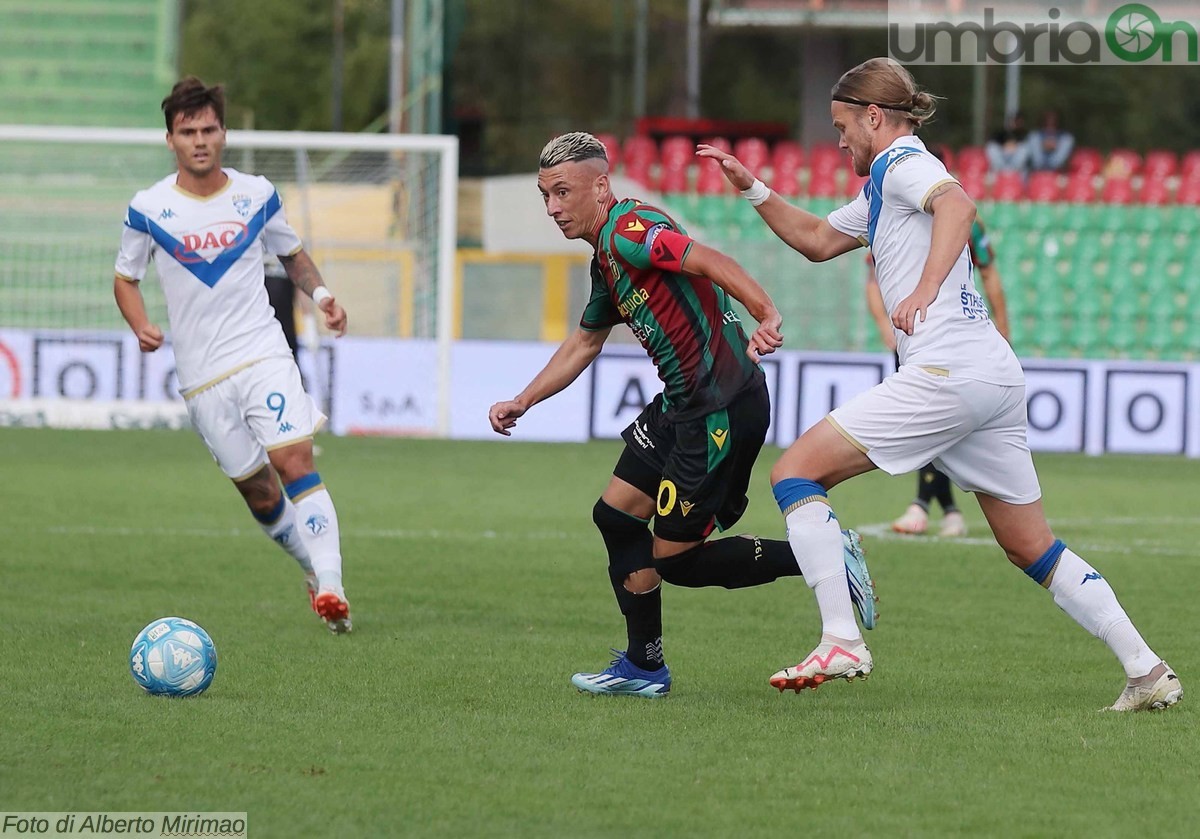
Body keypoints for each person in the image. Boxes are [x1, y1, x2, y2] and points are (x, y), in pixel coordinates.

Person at [697, 57, 1180, 711]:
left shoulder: (901, 164)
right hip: (991, 372)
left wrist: (924, 287)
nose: (838, 140)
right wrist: (753, 186)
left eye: (843, 125)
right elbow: (812, 238)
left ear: (874, 116)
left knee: (795, 473)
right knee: (1029, 544)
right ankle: (1146, 669)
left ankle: (840, 637)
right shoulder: (881, 187)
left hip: (948, 368)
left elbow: (958, 203)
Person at [488, 131, 876, 698]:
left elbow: (710, 258)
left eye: (562, 192)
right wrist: (523, 399)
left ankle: (820, 553)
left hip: (718, 408)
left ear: (600, 187)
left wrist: (765, 311)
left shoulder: (629, 230)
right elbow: (583, 344)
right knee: (616, 517)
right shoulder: (607, 259)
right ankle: (645, 669)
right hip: (681, 405)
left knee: (677, 559)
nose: (552, 208)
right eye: (545, 195)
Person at [113, 77, 353, 634]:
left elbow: (292, 256)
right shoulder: (148, 209)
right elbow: (125, 279)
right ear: (170, 138)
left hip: (262, 351)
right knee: (261, 493)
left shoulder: (256, 194)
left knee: (295, 462)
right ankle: (314, 572)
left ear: (224, 133)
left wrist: (321, 297)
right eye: (187, 131)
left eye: (209, 129)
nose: (200, 140)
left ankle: (334, 585)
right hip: (202, 377)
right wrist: (141, 322)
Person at [871, 147, 1012, 538]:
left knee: (933, 422)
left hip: (952, 338)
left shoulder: (965, 221)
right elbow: (871, 277)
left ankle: (924, 506)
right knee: (930, 422)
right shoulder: (894, 218)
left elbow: (990, 276)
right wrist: (884, 322)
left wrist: (1002, 330)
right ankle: (946, 509)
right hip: (911, 334)